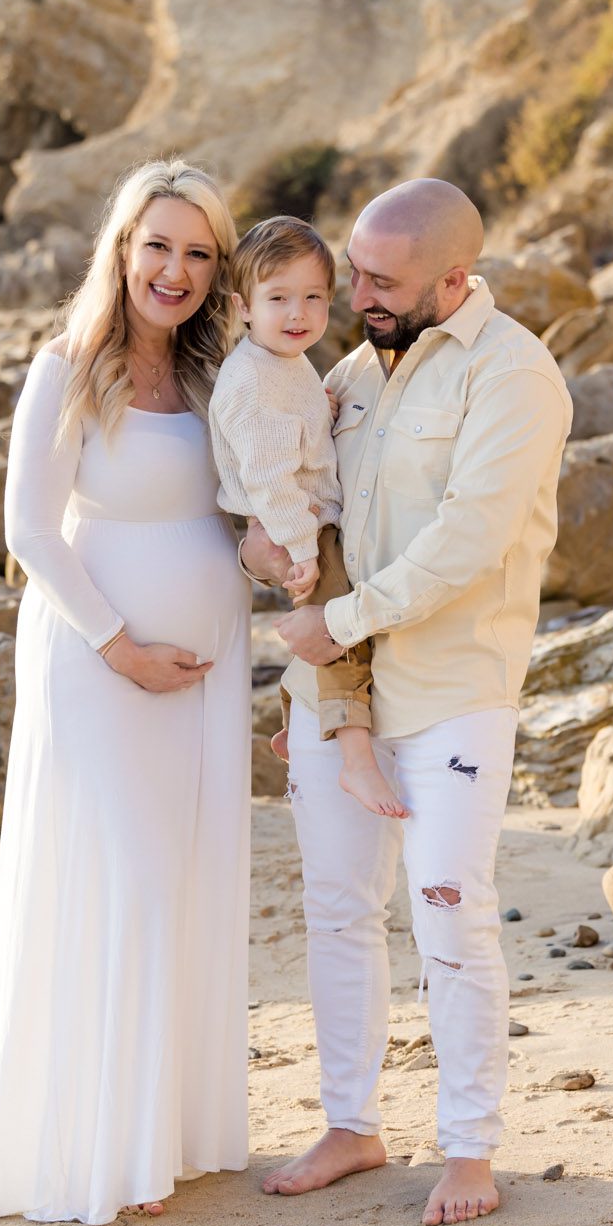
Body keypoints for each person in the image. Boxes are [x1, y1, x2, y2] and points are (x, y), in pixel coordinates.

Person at [241, 178, 572, 1226]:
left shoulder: (514, 374)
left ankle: (470, 1146)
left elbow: (467, 548)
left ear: (453, 278)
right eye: (355, 271)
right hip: (337, 700)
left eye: (382, 281)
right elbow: (298, 506)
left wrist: (334, 626)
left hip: (454, 690)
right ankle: (353, 1121)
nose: (355, 294)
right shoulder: (341, 373)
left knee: (447, 909)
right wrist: (260, 544)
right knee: (339, 909)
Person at [0, 157, 251, 1226]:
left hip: (207, 673)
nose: (174, 270)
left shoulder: (220, 372)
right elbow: (30, 530)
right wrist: (122, 646)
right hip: (98, 662)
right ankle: (101, 1153)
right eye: (157, 246)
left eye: (197, 252)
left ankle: (167, 1134)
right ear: (121, 249)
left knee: (187, 882)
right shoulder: (67, 365)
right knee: (126, 881)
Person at [208, 213, 405, 820]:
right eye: (279, 299)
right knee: (337, 633)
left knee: (327, 627)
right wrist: (301, 549)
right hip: (298, 527)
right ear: (243, 306)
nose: (299, 314)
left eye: (313, 297)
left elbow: (292, 431)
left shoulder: (285, 363)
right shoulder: (251, 380)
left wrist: (318, 409)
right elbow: (268, 475)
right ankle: (355, 760)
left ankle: (297, 726)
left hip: (309, 520)